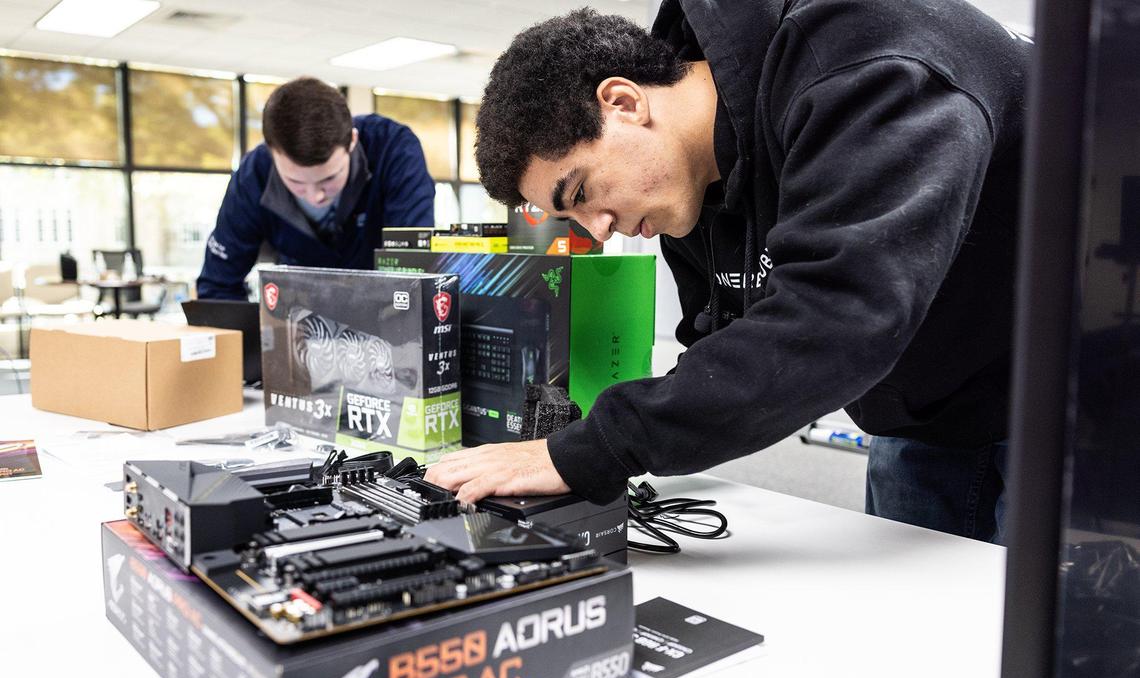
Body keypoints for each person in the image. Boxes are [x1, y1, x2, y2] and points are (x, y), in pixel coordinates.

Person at [425, 0, 1031, 543]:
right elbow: (723, 345)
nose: (597, 229)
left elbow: (837, 319)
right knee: (927, 634)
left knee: (1066, 651)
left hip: (1076, 404)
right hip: (924, 414)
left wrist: (592, 450)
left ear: (624, 103)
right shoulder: (695, 185)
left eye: (581, 191)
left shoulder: (862, 57)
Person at [196, 77, 435, 300]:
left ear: (352, 141)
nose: (315, 196)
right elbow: (217, 287)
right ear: (271, 153)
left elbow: (414, 273)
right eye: (296, 183)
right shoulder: (254, 174)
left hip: (388, 316)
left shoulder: (393, 150)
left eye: (329, 178)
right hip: (297, 324)